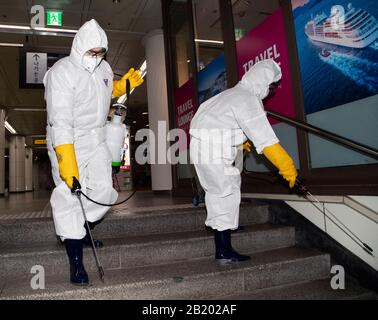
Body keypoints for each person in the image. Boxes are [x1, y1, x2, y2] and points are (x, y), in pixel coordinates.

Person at [44, 19, 143, 285]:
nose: (96, 57)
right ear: (79, 48)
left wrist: (123, 86)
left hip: (96, 137)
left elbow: (106, 89)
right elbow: (60, 121)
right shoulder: (61, 72)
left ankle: (80, 226)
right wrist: (67, 162)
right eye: (91, 52)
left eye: (100, 52)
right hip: (68, 138)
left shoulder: (106, 68)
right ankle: (76, 261)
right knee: (69, 194)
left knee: (104, 192)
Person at [190, 59, 297, 264]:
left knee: (219, 191)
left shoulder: (228, 94)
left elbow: (216, 121)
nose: (271, 90)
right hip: (214, 150)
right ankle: (223, 251)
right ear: (263, 82)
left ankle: (225, 229)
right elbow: (267, 141)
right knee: (225, 193)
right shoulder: (247, 99)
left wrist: (238, 140)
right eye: (271, 86)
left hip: (201, 147)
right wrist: (287, 167)